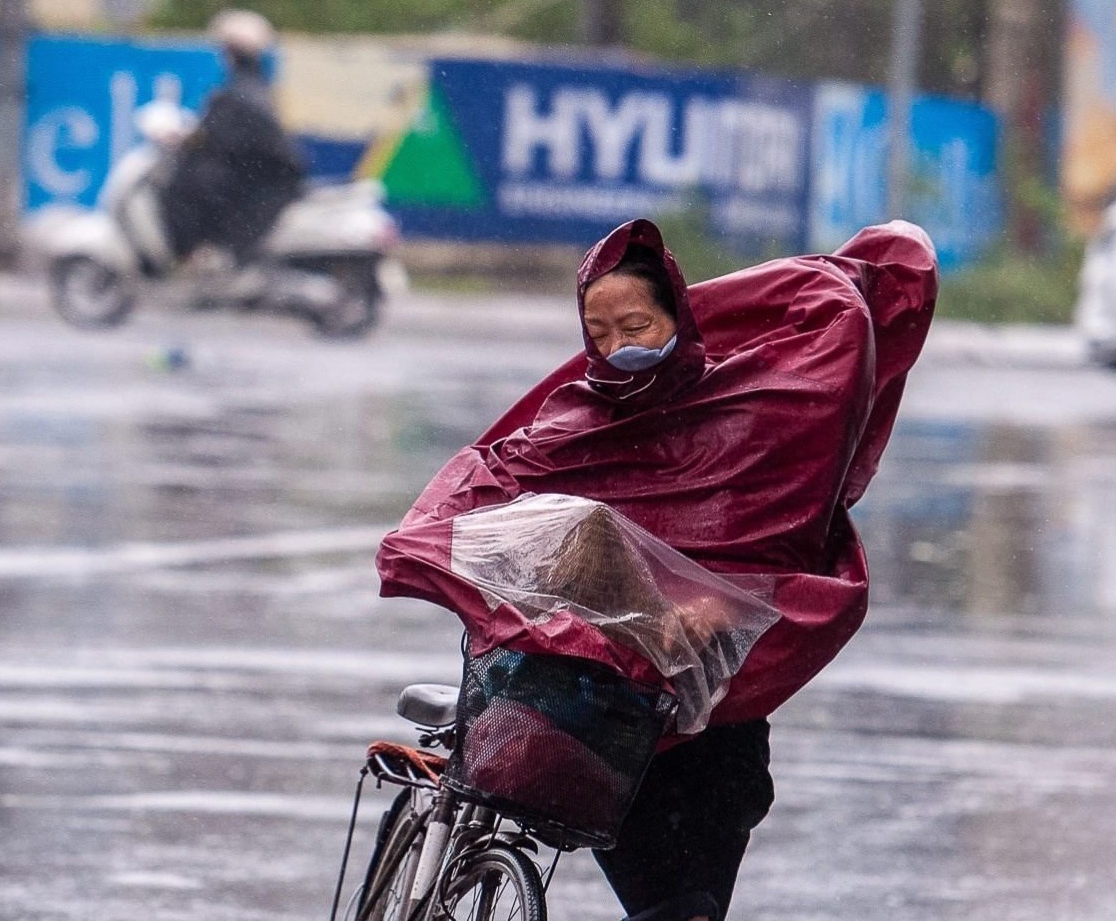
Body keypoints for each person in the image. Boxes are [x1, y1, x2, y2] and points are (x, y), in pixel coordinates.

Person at [377, 217, 939, 921]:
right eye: (599, 331)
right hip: (590, 703)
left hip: (706, 720)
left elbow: (775, 548)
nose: (617, 347)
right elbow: (498, 481)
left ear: (679, 312)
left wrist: (720, 607)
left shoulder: (759, 411)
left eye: (636, 325)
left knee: (686, 903)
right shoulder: (580, 417)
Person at [160, 9, 308, 265]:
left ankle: (201, 255)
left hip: (263, 185)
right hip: (272, 179)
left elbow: (215, 138)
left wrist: (188, 142)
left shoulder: (235, 95)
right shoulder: (254, 88)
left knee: (188, 185)